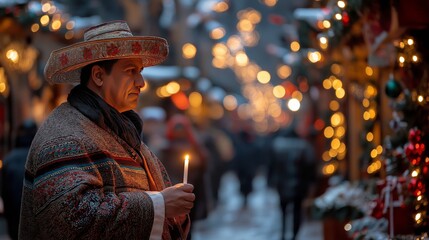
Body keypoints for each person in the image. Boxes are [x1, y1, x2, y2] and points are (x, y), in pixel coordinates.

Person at [19, 20, 195, 240]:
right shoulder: (67, 135)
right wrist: (160, 205)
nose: (141, 82)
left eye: (140, 71)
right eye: (131, 71)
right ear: (99, 76)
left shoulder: (121, 130)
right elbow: (73, 222)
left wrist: (174, 207)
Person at [268, 125, 316, 240]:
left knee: (283, 211)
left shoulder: (277, 146)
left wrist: (271, 181)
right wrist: (311, 182)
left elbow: (272, 166)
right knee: (297, 211)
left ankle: (284, 233)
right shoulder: (304, 147)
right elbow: (310, 166)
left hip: (282, 184)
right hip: (299, 185)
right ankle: (295, 234)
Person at [1, 120, 37, 240]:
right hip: (33, 214)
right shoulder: (38, 157)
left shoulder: (8, 160)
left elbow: (3, 189)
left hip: (13, 213)